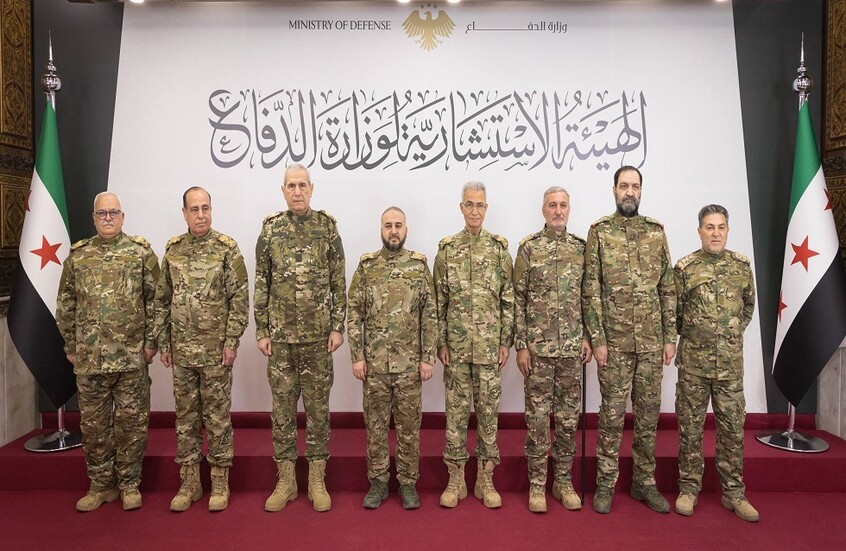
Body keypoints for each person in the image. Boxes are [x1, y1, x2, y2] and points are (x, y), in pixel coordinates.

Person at [582, 166, 677, 514]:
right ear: (614, 190)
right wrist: (598, 339)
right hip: (615, 345)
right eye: (624, 186)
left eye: (635, 186)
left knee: (648, 417)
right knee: (611, 416)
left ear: (641, 190)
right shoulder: (599, 233)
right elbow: (590, 289)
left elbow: (667, 287)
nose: (629, 192)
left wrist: (669, 337)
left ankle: (644, 483)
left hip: (651, 343)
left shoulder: (655, 232)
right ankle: (605, 485)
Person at [56, 192, 159, 512]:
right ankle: (101, 485)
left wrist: (151, 344)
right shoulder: (78, 256)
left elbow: (157, 301)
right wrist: (71, 346)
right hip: (91, 360)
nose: (108, 218)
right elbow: (65, 304)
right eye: (102, 213)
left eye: (114, 212)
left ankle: (129, 484)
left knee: (131, 426)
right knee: (94, 428)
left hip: (131, 359)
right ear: (94, 218)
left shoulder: (140, 253)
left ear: (123, 216)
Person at [255, 163, 346, 512]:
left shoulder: (327, 227)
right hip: (280, 341)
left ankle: (317, 480)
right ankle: (287, 481)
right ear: (283, 190)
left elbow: (338, 281)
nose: (297, 191)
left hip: (317, 339)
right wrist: (262, 330)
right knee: (282, 411)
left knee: (318, 410)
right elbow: (261, 281)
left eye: (302, 185)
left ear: (311, 189)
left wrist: (337, 326)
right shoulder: (271, 229)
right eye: (291, 186)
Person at [154, 186, 249, 512]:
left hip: (215, 354)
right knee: (186, 419)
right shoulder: (173, 251)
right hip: (182, 353)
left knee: (218, 418)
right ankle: (190, 482)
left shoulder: (226, 249)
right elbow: (161, 300)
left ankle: (220, 482)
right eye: (194, 209)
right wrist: (164, 342)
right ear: (184, 213)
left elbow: (240, 299)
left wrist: (231, 341)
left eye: (205, 208)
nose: (200, 214)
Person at [347, 207, 437, 510]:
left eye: (398, 225)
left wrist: (428, 358)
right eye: (388, 225)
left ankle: (408, 483)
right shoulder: (367, 266)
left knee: (409, 428)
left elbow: (430, 314)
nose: (394, 231)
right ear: (381, 230)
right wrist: (357, 356)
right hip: (375, 366)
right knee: (375, 427)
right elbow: (354, 312)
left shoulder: (418, 266)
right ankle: (378, 482)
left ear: (406, 230)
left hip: (409, 366)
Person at [673, 204, 758, 522]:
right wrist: (701, 336)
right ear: (699, 231)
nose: (716, 233)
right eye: (709, 227)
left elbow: (747, 306)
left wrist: (729, 335)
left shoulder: (741, 266)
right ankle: (688, 489)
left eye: (721, 227)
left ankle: (734, 493)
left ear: (728, 230)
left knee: (732, 431)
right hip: (693, 366)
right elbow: (676, 314)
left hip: (730, 368)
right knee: (690, 430)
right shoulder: (685, 267)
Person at [434, 181, 514, 509]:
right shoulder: (447, 250)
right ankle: (456, 480)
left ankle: (485, 478)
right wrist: (441, 342)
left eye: (480, 205)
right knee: (455, 417)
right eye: (469, 204)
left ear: (486, 208)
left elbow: (508, 300)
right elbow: (439, 302)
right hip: (456, 350)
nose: (475, 211)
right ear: (461, 207)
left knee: (488, 416)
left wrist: (505, 341)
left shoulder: (499, 250)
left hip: (488, 350)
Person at [514, 186, 591, 513]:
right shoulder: (529, 248)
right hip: (539, 352)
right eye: (552, 205)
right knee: (537, 421)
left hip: (572, 351)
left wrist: (587, 336)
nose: (558, 210)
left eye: (563, 205)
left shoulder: (580, 249)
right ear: (543, 210)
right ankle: (537, 485)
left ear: (569, 209)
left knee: (568, 420)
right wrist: (521, 345)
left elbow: (588, 297)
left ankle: (563, 482)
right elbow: (517, 299)